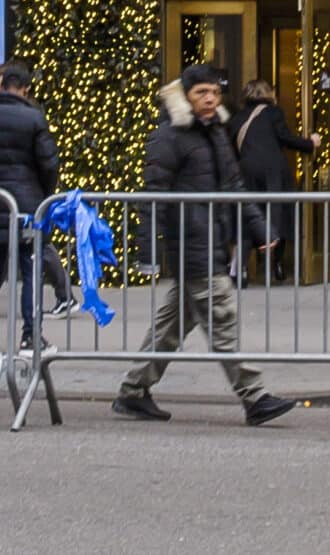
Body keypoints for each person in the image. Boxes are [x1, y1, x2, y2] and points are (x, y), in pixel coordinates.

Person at [113, 66, 297, 427]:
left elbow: (233, 186)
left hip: (209, 240)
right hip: (192, 244)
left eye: (214, 92)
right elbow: (152, 196)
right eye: (201, 92)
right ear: (186, 96)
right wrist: (147, 252)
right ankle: (254, 396)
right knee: (222, 316)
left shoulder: (214, 132)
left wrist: (260, 229)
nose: (210, 99)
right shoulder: (169, 136)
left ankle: (133, 391)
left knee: (171, 325)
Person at [0, 61, 64, 346]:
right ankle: (30, 335)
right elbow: (49, 164)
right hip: (29, 204)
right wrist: (43, 193)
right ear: (26, 89)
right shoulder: (34, 119)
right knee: (31, 270)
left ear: (2, 86)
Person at [234, 79, 318, 277]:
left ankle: (242, 269)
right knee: (278, 216)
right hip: (274, 171)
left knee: (249, 215)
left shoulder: (238, 117)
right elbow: (285, 137)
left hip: (247, 170)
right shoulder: (274, 113)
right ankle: (278, 265)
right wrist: (310, 143)